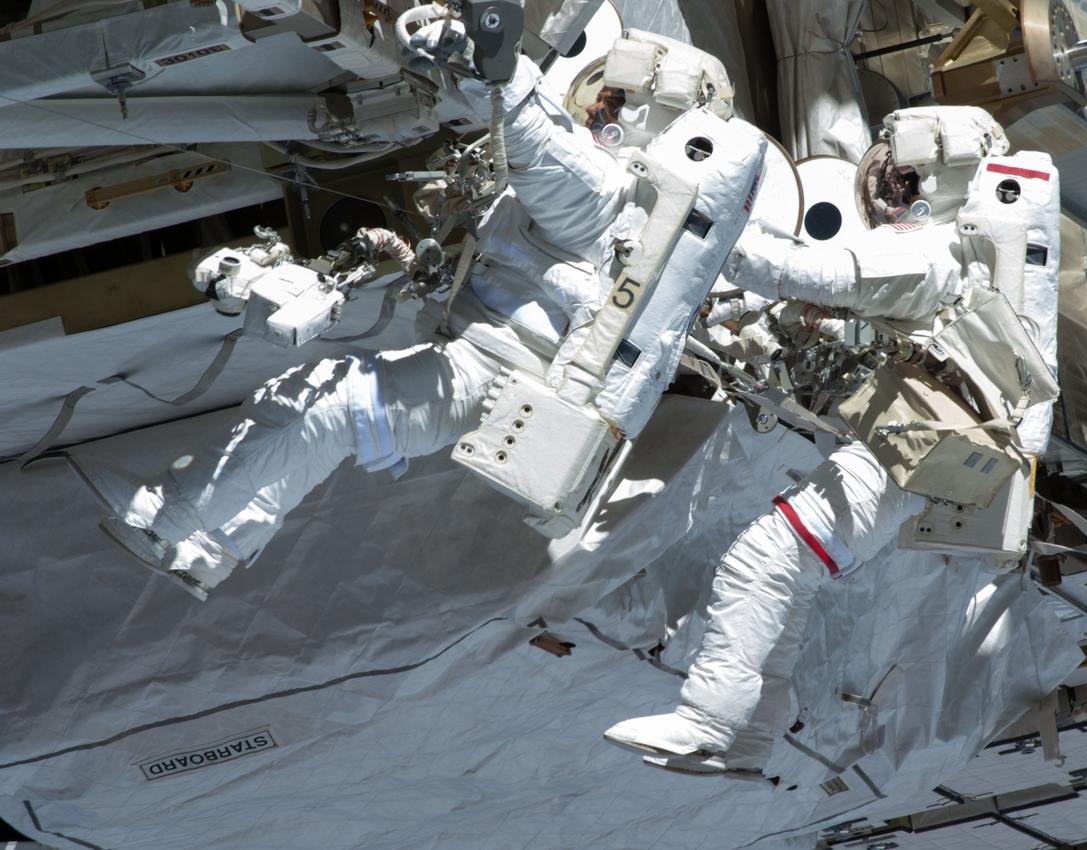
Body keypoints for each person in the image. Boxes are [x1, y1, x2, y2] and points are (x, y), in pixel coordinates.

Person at [65, 20, 755, 601]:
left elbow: (535, 141)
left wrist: (482, 54)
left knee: (324, 403)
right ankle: (206, 546)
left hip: (492, 376)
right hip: (497, 373)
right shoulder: (645, 213)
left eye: (612, 98)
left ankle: (170, 520)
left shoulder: (599, 193)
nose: (598, 108)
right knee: (319, 418)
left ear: (647, 112)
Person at [603, 105, 1062, 778]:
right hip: (925, 456)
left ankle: (707, 723)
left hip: (909, 455)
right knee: (788, 577)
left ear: (928, 181)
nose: (883, 193)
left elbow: (800, 273)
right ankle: (750, 740)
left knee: (761, 562)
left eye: (896, 180)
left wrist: (695, 225)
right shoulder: (953, 256)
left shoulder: (925, 252)